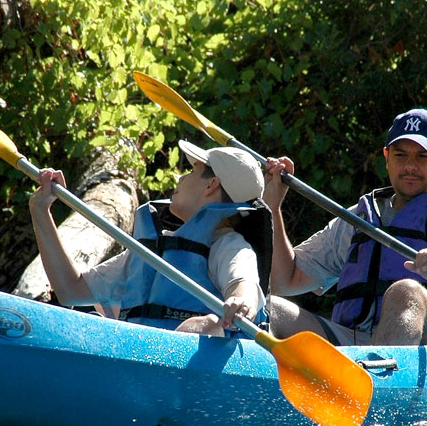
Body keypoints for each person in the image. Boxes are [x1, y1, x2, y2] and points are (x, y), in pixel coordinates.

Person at [263, 108, 427, 346]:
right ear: (387, 157)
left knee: (406, 292)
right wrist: (272, 208)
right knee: (270, 308)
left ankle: (381, 379)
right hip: (355, 347)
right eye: (401, 155)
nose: (410, 166)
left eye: (423, 156)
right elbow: (286, 281)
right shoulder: (359, 217)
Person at [29, 140, 271, 337]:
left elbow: (243, 285)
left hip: (197, 367)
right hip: (139, 359)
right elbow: (71, 290)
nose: (180, 178)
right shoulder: (154, 251)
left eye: (191, 171)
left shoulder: (230, 247)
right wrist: (40, 211)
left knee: (205, 325)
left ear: (211, 185)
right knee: (95, 318)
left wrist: (240, 302)